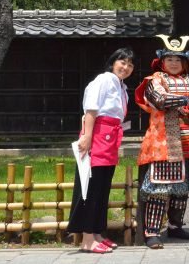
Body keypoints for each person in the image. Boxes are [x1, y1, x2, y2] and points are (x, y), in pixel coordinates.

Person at [134, 35, 189, 248]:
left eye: (178, 60)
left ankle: (176, 226)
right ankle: (152, 232)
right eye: (170, 59)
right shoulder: (155, 81)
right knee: (160, 189)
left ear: (185, 63)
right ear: (162, 62)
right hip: (164, 143)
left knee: (182, 190)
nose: (174, 63)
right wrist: (187, 101)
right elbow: (160, 100)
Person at [67, 47, 135, 254]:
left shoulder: (121, 87)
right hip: (97, 135)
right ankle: (87, 238)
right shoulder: (103, 80)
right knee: (92, 186)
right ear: (113, 62)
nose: (126, 67)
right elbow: (91, 109)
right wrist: (87, 136)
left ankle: (97, 233)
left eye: (130, 65)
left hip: (110, 137)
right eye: (122, 62)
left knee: (103, 186)